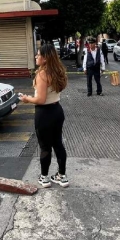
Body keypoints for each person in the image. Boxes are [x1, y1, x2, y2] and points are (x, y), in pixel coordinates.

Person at [18, 44, 69, 188]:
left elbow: (40, 99)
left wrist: (26, 99)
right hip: (57, 111)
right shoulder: (59, 70)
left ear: (45, 58)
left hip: (44, 113)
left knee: (45, 147)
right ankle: (62, 176)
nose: (36, 56)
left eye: (38, 54)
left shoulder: (42, 74)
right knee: (58, 144)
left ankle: (44, 178)